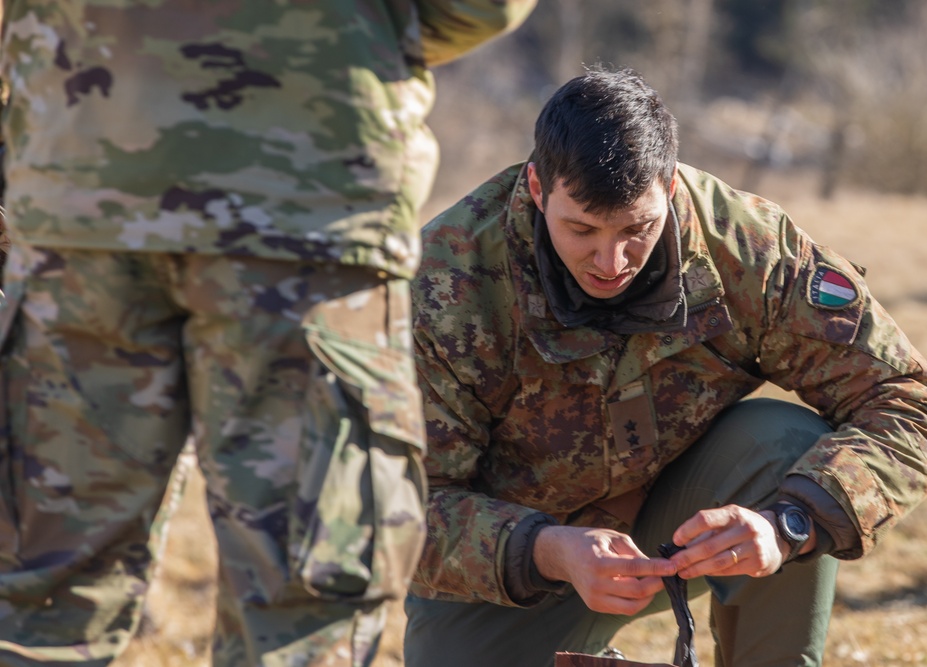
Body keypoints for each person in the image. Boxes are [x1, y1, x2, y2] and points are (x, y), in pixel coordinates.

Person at [0, 1, 536, 665]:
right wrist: (341, 35)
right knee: (303, 604)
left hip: (79, 172)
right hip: (302, 190)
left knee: (43, 588)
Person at [404, 67, 927, 666]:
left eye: (637, 229)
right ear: (538, 189)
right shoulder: (444, 284)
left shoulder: (747, 250)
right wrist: (548, 549)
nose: (611, 260)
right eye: (581, 229)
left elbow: (912, 402)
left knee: (784, 445)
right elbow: (399, 505)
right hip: (513, 560)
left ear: (669, 187)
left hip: (687, 522)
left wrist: (786, 525)